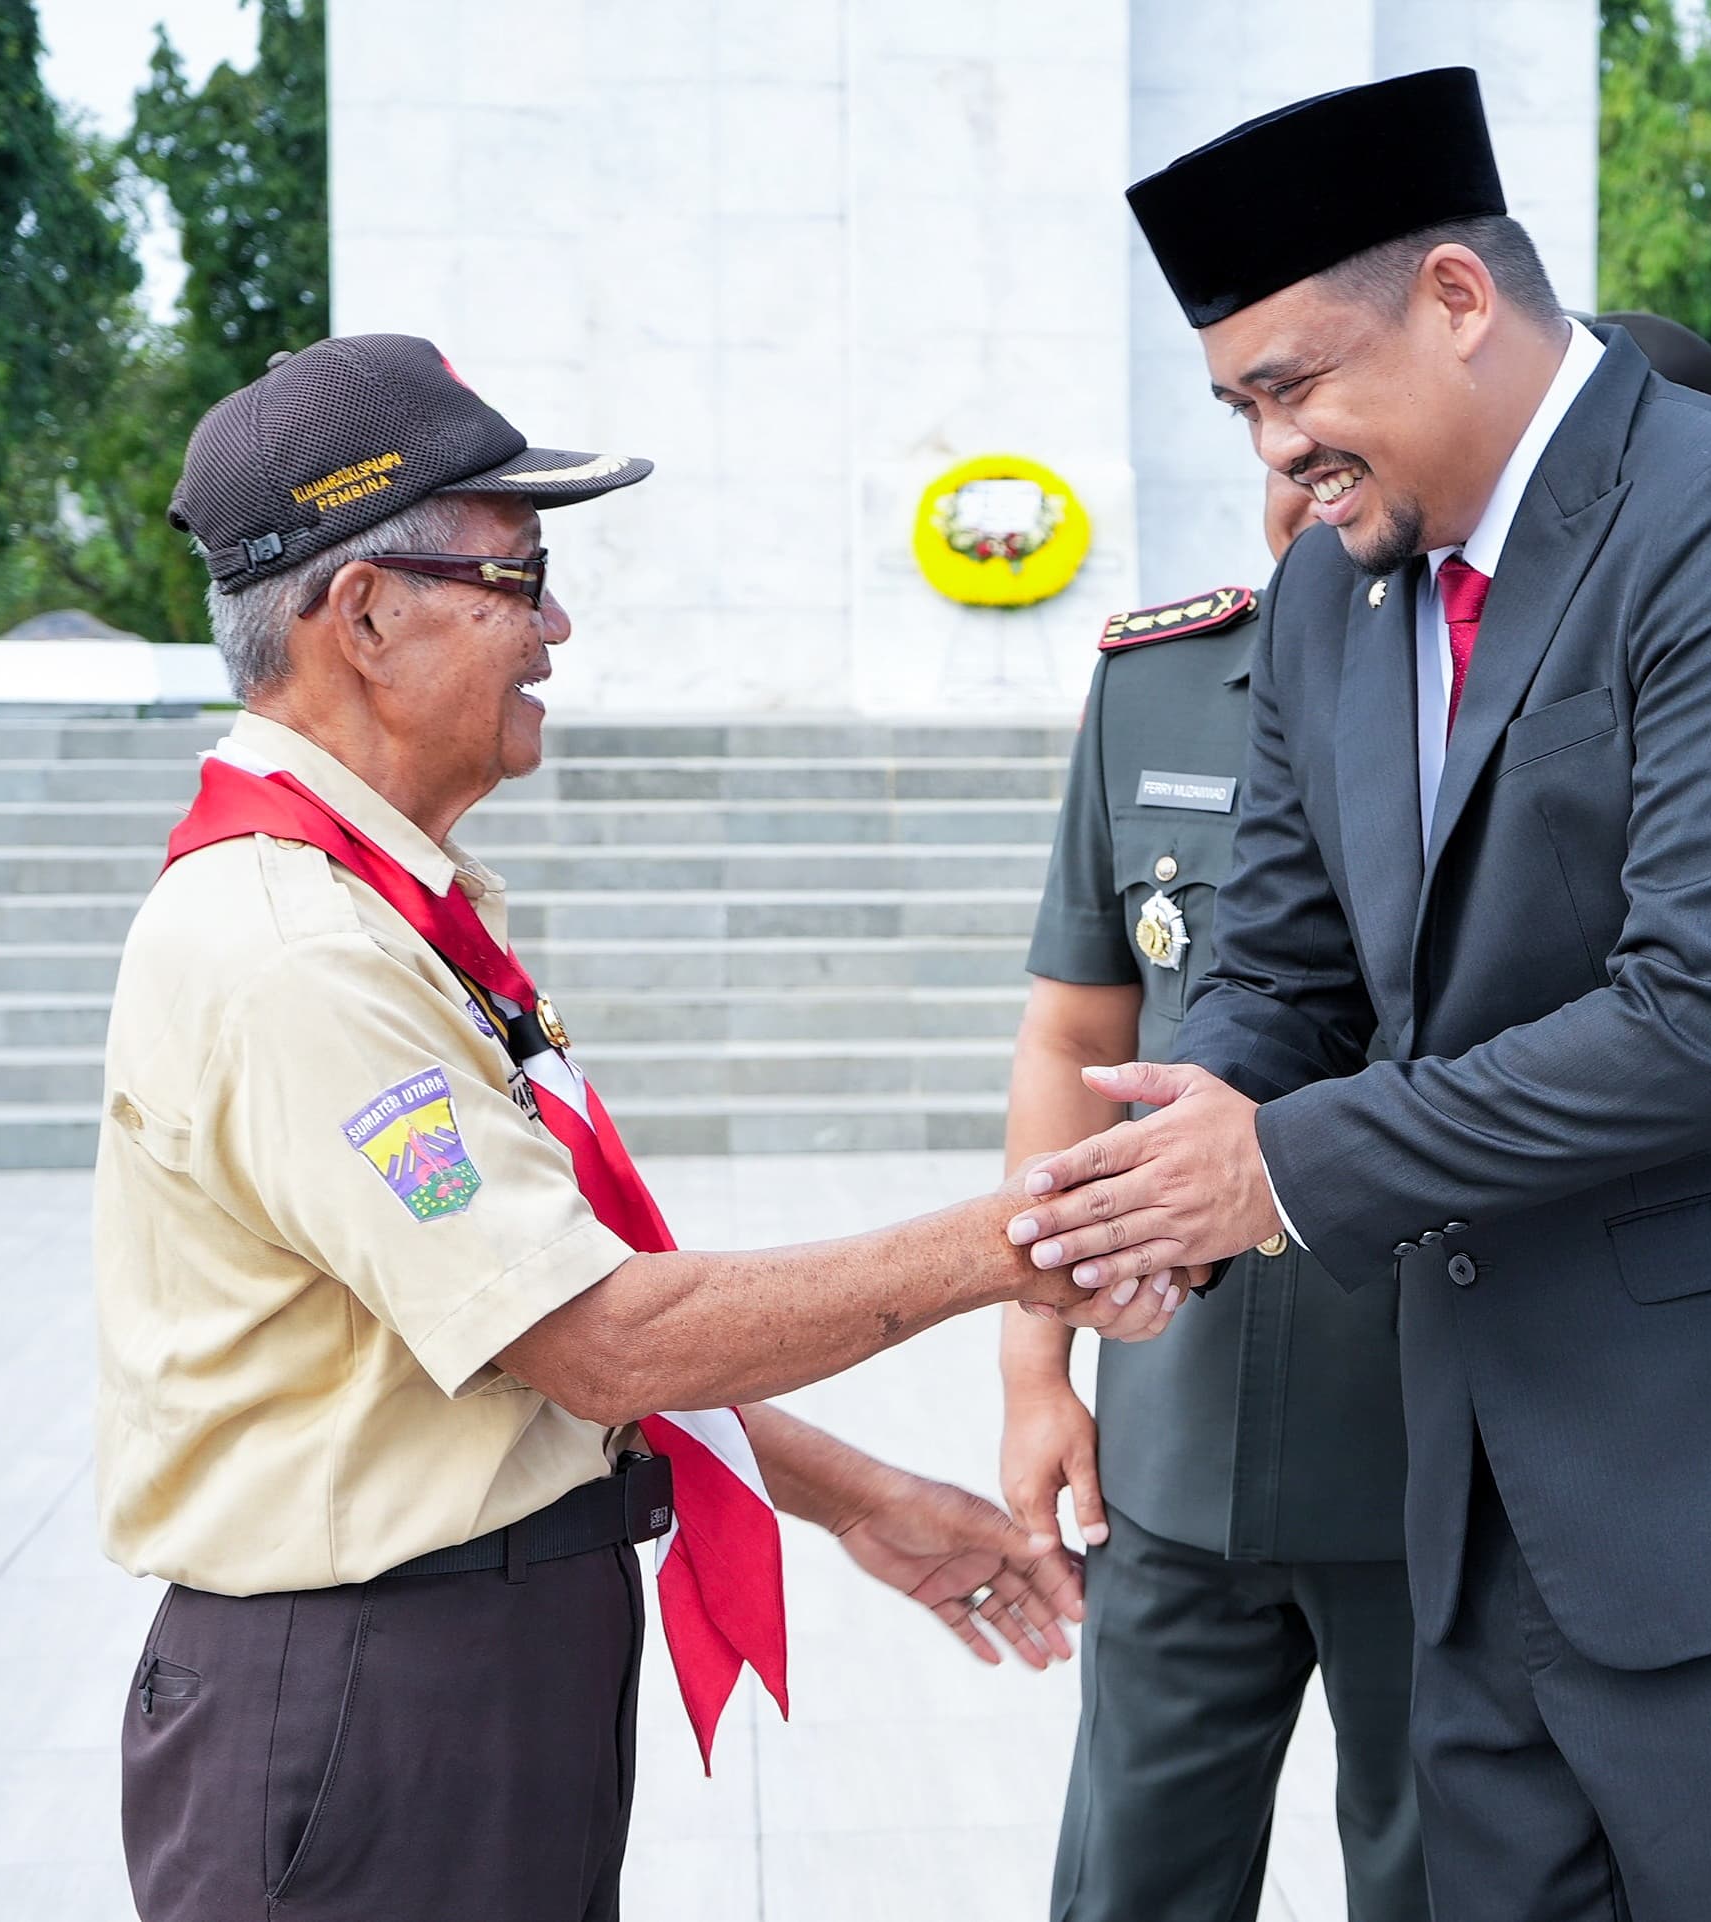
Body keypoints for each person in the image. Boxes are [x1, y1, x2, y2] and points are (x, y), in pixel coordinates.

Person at [1006, 68, 1711, 1920]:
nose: (1275, 452)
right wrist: (1163, 1157)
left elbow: (1704, 1013)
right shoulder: (1342, 594)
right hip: (1481, 1513)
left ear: (1459, 301)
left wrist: (1279, 1169)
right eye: (1241, 404)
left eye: (1293, 383)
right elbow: (1276, 958)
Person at [99, 334, 1176, 1922]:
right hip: (371, 1694)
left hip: (457, 1667)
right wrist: (1021, 1238)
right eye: (516, 576)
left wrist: (859, 1494)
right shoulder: (300, 950)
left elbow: (525, 1352)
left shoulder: (377, 905)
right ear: (363, 614)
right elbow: (598, 1339)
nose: (556, 627)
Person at [1004, 464, 1426, 1922]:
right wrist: (1030, 1367)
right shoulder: (1158, 678)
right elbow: (1075, 1031)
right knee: (1131, 1880)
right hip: (1175, 1432)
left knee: (1444, 1877)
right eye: (1279, 439)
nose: (1311, 475)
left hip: (1438, 1440)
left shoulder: (1522, 682)